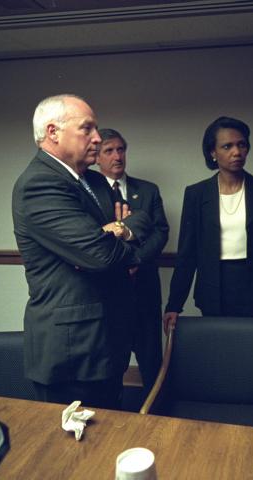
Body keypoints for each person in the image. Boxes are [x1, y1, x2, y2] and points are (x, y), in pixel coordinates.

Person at [12, 94, 148, 409]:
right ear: (52, 132)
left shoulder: (96, 181)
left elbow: (140, 222)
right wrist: (109, 241)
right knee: (70, 452)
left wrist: (118, 231)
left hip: (107, 344)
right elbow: (102, 255)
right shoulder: (38, 184)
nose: (97, 139)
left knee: (107, 443)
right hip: (72, 355)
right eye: (87, 129)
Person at [164, 116, 253, 331]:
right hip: (213, 289)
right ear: (213, 153)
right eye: (227, 146)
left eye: (241, 144)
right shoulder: (196, 194)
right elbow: (187, 255)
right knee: (218, 356)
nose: (236, 152)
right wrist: (174, 305)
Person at [96, 128, 169, 394]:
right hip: (109, 295)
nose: (117, 156)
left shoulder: (147, 191)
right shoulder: (90, 193)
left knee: (151, 363)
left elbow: (161, 231)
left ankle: (159, 422)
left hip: (144, 290)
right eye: (109, 151)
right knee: (111, 366)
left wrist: (136, 259)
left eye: (121, 149)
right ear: (96, 157)